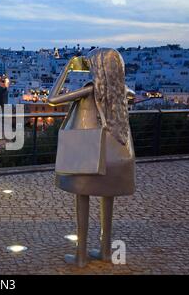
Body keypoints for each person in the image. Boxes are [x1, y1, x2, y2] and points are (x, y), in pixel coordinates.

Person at [48, 48, 136, 267]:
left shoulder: (89, 89)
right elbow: (132, 95)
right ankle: (106, 251)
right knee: (108, 200)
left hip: (90, 151)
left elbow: (52, 99)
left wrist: (68, 68)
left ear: (97, 67)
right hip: (117, 154)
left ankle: (81, 256)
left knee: (83, 199)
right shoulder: (122, 91)